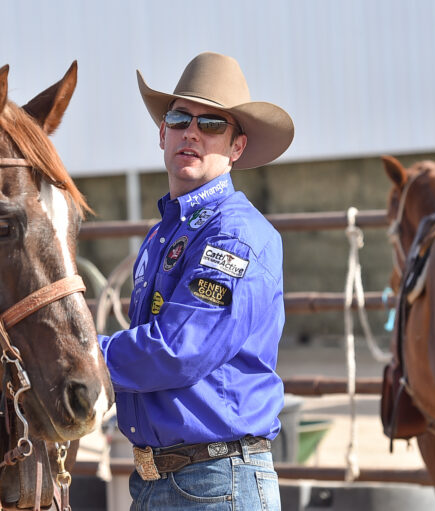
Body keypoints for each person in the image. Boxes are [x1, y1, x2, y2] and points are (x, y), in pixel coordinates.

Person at [97, 51, 294, 510]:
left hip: (214, 483)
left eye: (211, 125)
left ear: (237, 147)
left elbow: (179, 350)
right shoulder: (166, 234)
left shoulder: (234, 235)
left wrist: (81, 355)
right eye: (181, 117)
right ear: (162, 132)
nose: (191, 132)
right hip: (170, 480)